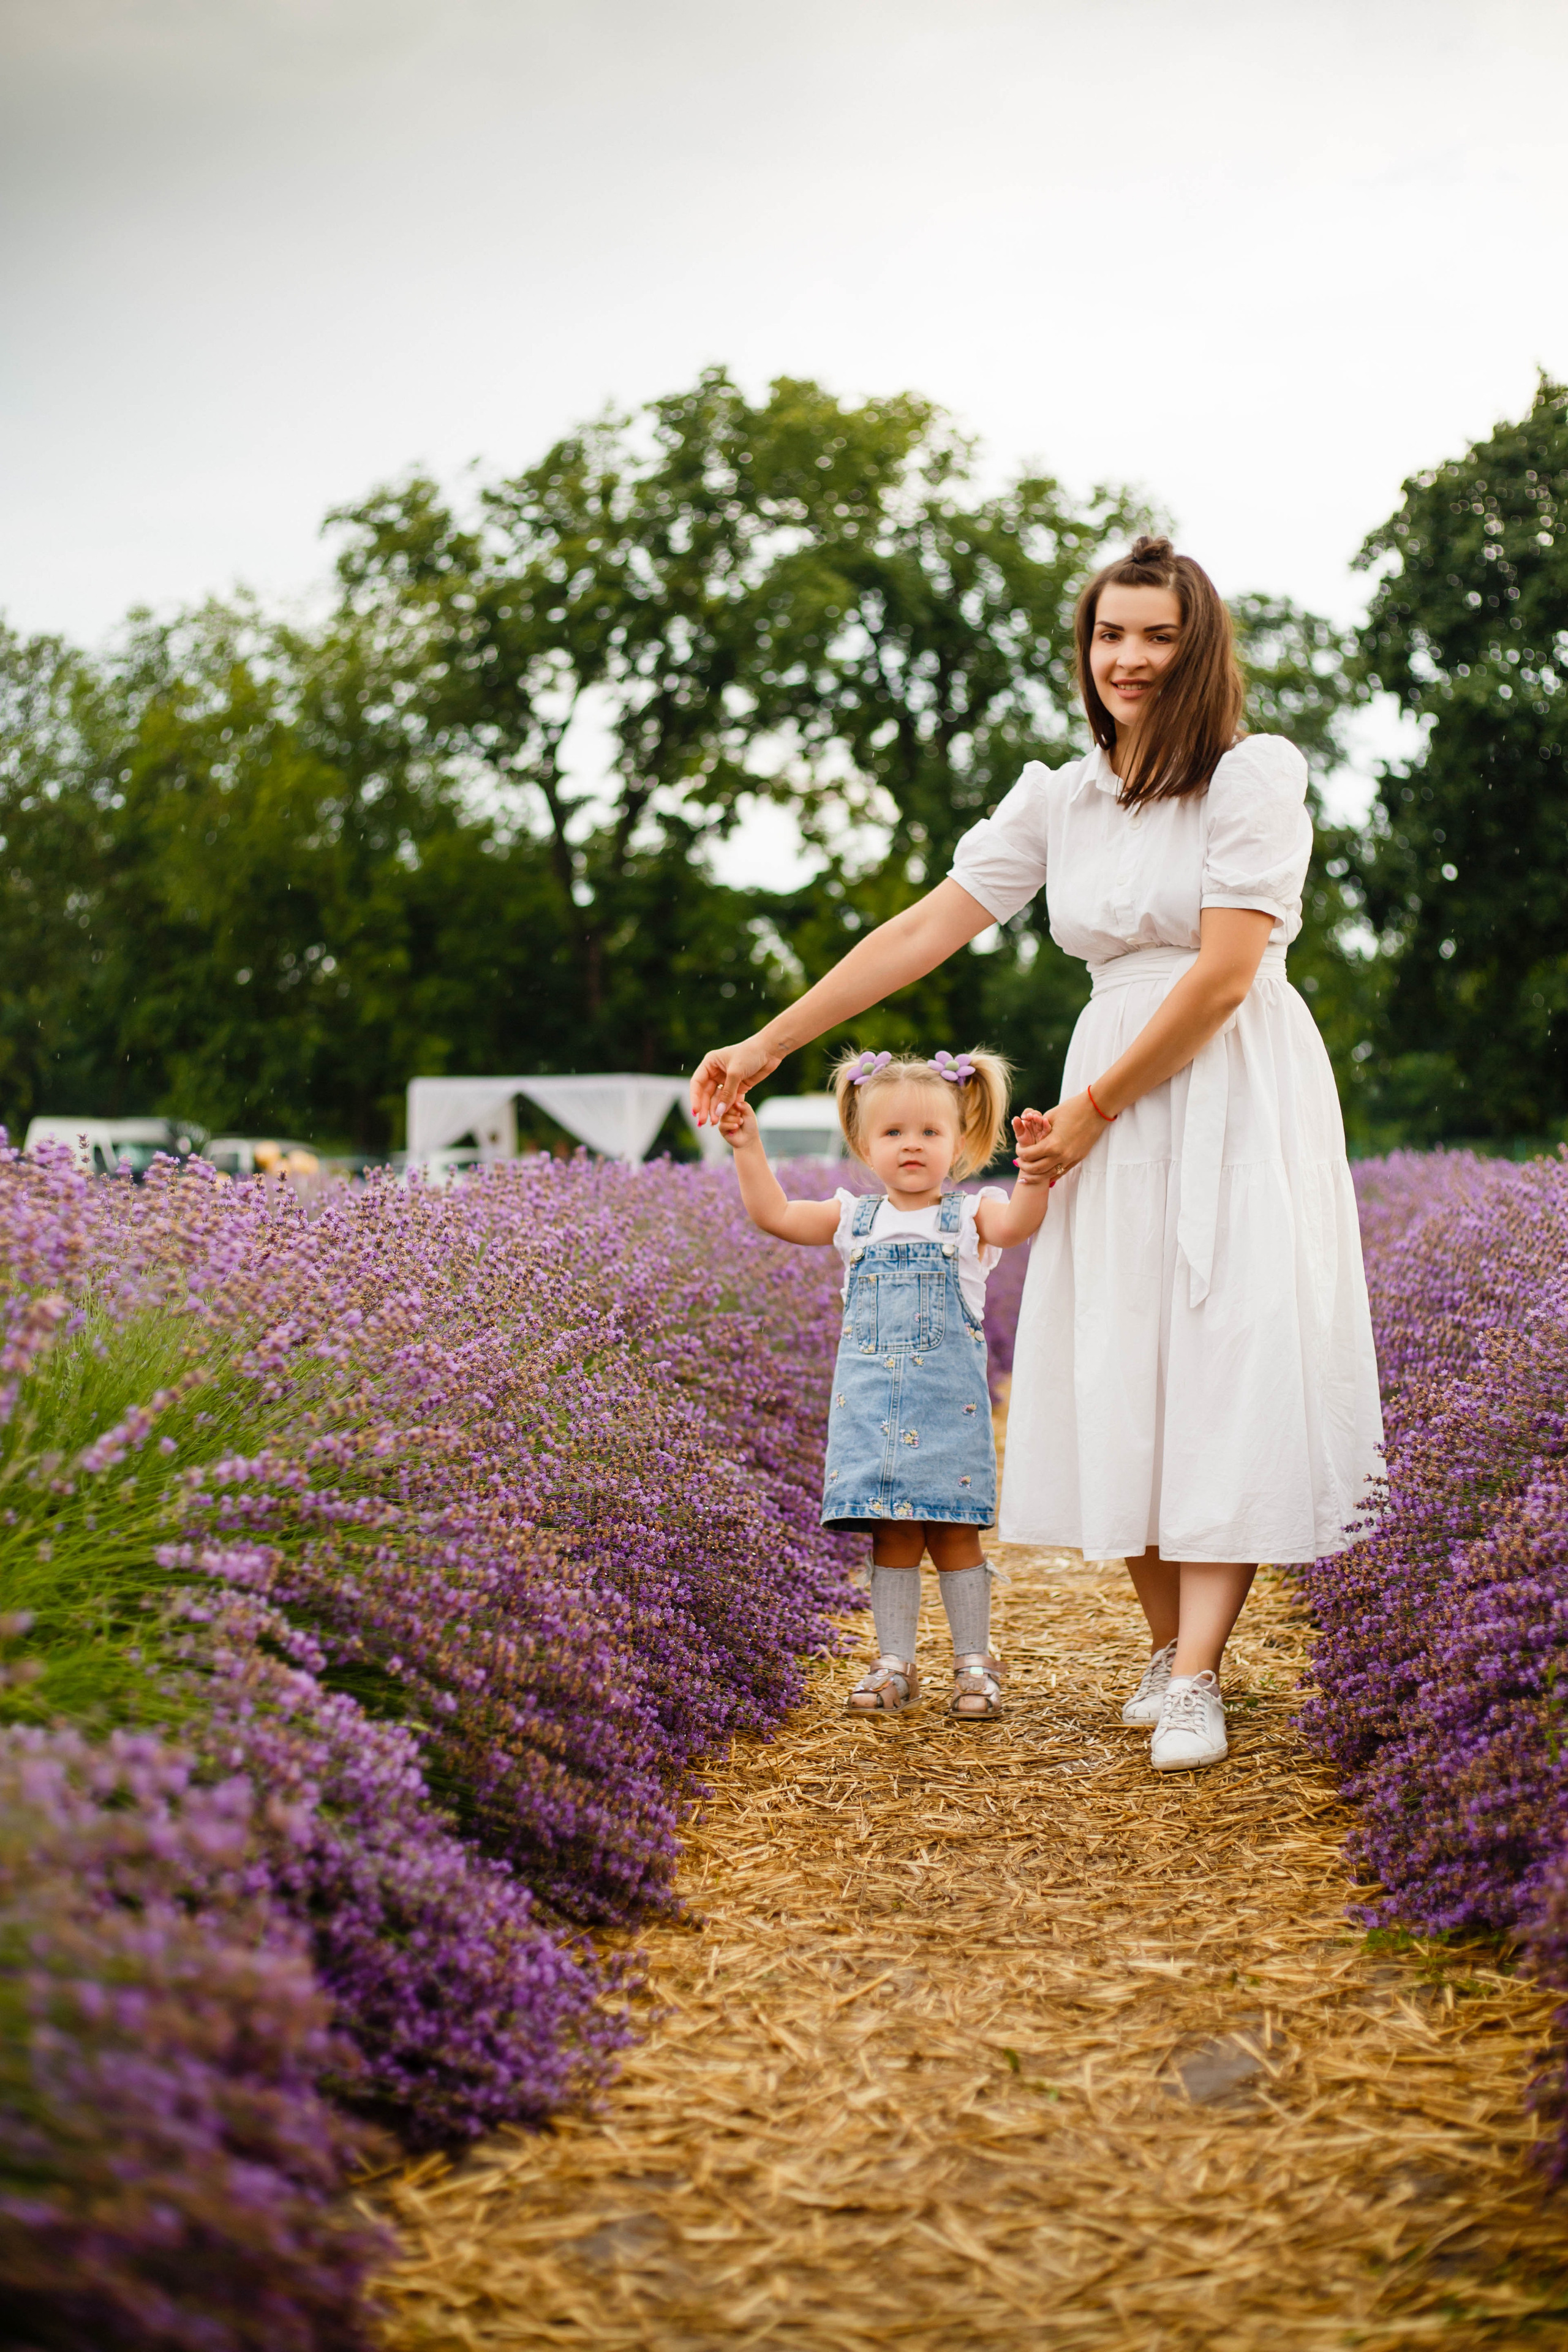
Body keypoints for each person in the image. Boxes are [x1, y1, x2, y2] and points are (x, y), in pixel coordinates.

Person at [693, 535, 1383, 1773]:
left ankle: (1196, 1676)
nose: (1129, 658)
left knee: (1224, 1351)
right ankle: (1166, 1647)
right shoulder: (1059, 798)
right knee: (1125, 1354)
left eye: (1158, 636)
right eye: (1109, 634)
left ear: (1200, 650)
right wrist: (767, 1041)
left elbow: (1226, 973)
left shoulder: (1251, 777)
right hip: (1105, 1070)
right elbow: (922, 930)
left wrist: (1093, 1109)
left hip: (1223, 1079)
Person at [717, 1046, 1050, 1719]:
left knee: (953, 1533)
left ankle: (974, 1663)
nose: (911, 1145)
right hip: (872, 1414)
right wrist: (747, 1146)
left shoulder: (970, 1218)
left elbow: (1020, 1223)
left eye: (930, 1131)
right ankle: (895, 1661)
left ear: (959, 1141)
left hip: (947, 1415)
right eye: (893, 1132)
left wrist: (1036, 1173)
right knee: (891, 1536)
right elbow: (774, 1215)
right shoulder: (853, 1219)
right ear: (864, 1146)